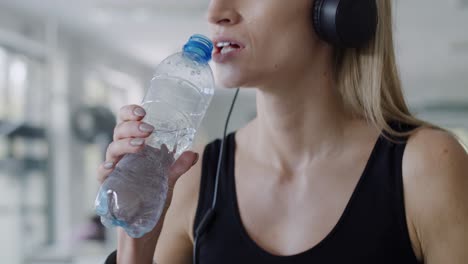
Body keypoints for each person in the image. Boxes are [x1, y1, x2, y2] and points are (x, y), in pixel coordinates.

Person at [97, 0, 468, 263]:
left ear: (333, 8)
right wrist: (135, 245)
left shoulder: (428, 166)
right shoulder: (191, 180)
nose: (215, 12)